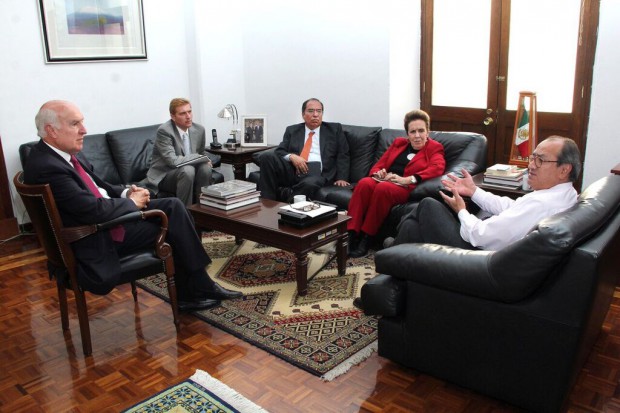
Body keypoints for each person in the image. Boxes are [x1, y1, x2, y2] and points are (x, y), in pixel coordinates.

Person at [25, 100, 242, 312]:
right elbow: (93, 210)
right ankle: (194, 290)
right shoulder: (48, 167)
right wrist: (131, 203)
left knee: (174, 206)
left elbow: (100, 186)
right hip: (96, 236)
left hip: (106, 219)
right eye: (75, 124)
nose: (84, 130)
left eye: (82, 122)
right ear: (51, 130)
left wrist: (126, 192)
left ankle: (197, 286)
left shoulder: (63, 155)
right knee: (174, 227)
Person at [388, 136, 581, 251]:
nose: (531, 165)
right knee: (412, 228)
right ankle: (395, 253)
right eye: (533, 158)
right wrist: (474, 191)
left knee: (427, 206)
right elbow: (511, 207)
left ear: (564, 170)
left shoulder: (542, 204)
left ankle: (393, 249)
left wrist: (461, 210)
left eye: (540, 160)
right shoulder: (566, 194)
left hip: (478, 258)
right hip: (491, 253)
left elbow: (480, 236)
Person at [347, 109, 445, 258]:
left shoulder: (434, 148)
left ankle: (367, 238)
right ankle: (351, 235)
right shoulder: (399, 143)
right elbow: (379, 165)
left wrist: (409, 179)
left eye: (421, 131)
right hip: (386, 180)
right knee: (364, 183)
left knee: (383, 188)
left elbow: (437, 168)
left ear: (428, 132)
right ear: (407, 134)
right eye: (413, 132)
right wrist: (379, 173)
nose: (417, 136)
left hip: (405, 187)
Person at [258, 98, 350, 201]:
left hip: (317, 173)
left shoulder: (334, 129)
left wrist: (342, 178)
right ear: (303, 114)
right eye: (311, 111)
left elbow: (343, 154)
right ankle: (266, 202)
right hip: (294, 169)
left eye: (319, 111)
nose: (315, 115)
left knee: (310, 183)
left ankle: (288, 204)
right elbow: (280, 151)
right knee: (266, 156)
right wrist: (292, 157)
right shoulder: (292, 130)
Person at [147, 98, 213, 206]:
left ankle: (202, 210)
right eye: (183, 113)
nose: (188, 116)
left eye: (189, 111)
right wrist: (201, 158)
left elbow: (202, 153)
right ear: (173, 117)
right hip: (165, 174)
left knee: (205, 168)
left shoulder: (199, 129)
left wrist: (204, 159)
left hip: (189, 171)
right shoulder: (164, 131)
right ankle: (184, 212)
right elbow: (172, 161)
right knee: (188, 170)